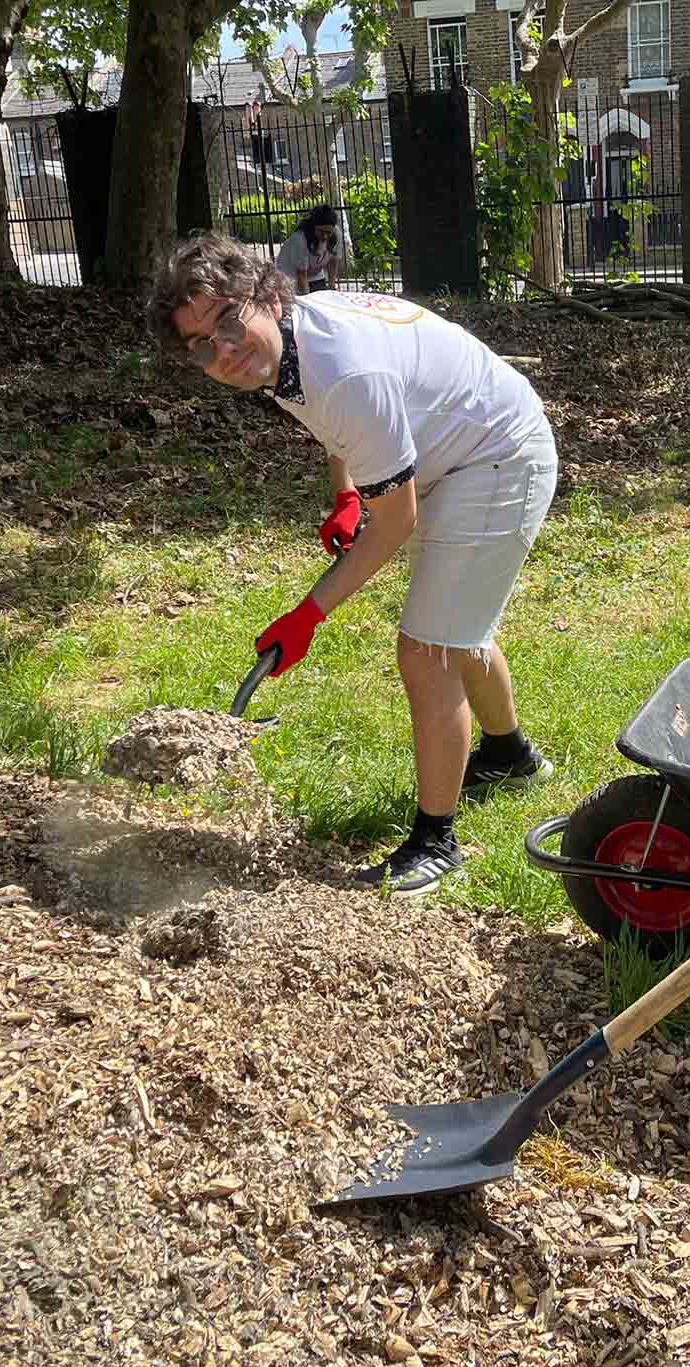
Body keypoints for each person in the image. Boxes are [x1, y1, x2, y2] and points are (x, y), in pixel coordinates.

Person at [149, 232, 556, 895]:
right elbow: (333, 420)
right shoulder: (286, 343)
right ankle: (510, 756)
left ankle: (437, 840)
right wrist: (345, 494)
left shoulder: (342, 370)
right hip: (454, 448)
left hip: (497, 457)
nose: (221, 349)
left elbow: (393, 522)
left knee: (428, 650)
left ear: (263, 296)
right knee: (456, 623)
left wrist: (308, 614)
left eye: (226, 320)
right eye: (200, 345)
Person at [275, 204, 340, 295]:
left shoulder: (335, 233)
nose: (325, 236)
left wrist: (332, 287)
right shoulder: (299, 239)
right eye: (321, 231)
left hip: (315, 276)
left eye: (328, 232)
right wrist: (307, 298)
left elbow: (333, 261)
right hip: (289, 279)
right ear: (312, 226)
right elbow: (302, 274)